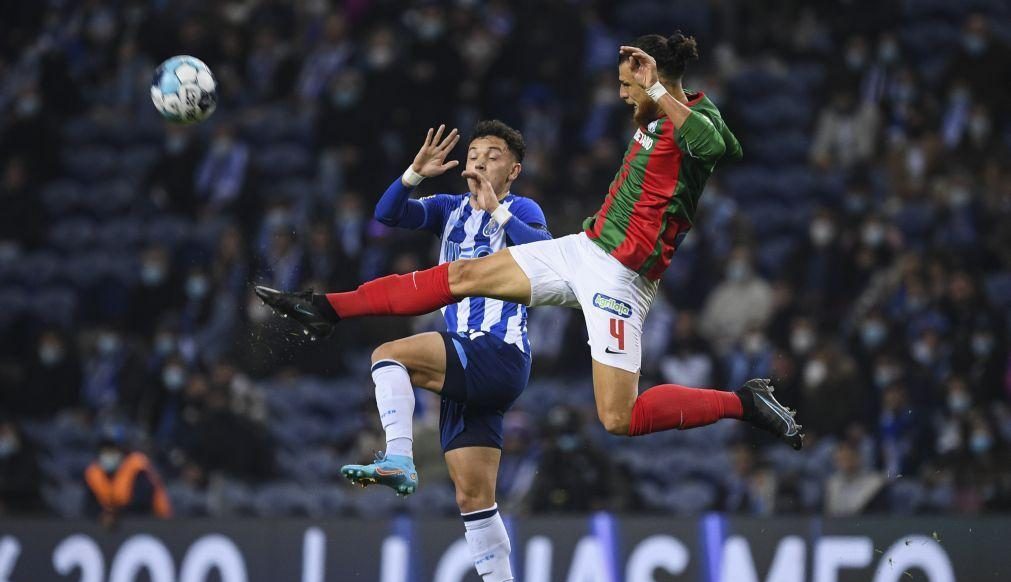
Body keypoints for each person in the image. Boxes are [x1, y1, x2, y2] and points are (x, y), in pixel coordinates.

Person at [257, 32, 804, 453]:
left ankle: (743, 402)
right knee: (465, 274)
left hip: (622, 280)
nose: (621, 93)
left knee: (619, 418)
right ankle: (325, 307)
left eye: (628, 84)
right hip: (583, 249)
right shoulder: (657, 115)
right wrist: (652, 92)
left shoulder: (693, 118)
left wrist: (657, 88)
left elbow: (723, 151)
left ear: (655, 77)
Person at [337, 120, 546, 582]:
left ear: (513, 170)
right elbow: (387, 216)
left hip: (497, 350)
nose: (478, 161)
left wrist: (498, 205)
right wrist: (412, 175)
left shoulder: (522, 212)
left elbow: (540, 255)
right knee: (474, 498)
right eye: (473, 153)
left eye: (492, 155)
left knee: (387, 355)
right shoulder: (449, 208)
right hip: (467, 364)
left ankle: (400, 458)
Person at [84, 428, 172, 526]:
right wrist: (102, 515)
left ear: (122, 450)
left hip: (152, 522)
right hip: (112, 524)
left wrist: (116, 514)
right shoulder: (94, 471)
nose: (108, 454)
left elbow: (143, 502)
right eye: (105, 450)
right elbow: (89, 506)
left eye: (112, 449)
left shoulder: (137, 466)